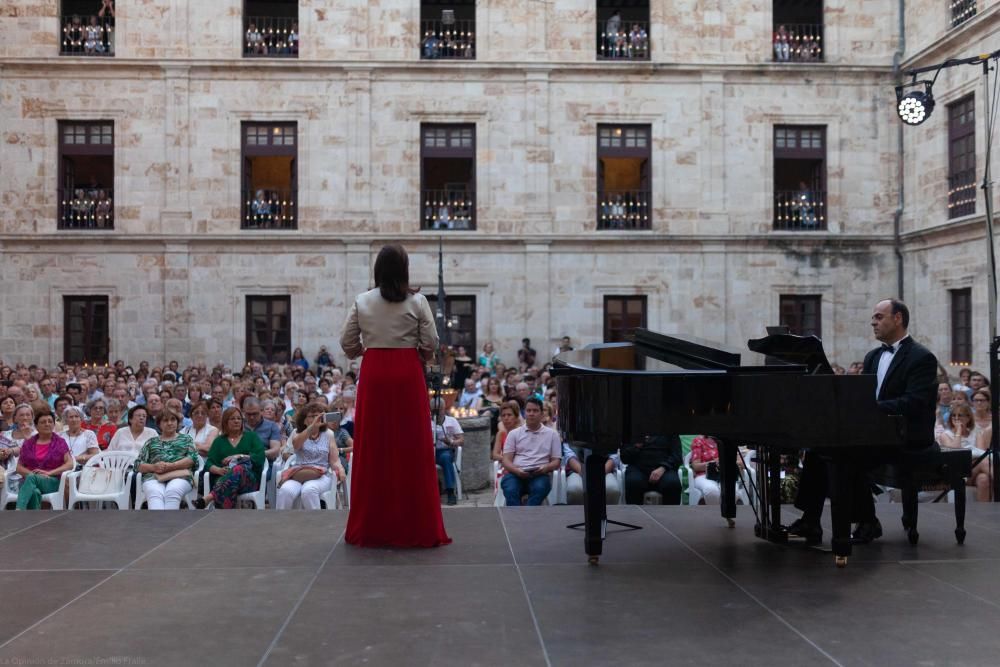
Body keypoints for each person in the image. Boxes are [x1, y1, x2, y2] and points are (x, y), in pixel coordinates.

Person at [791, 299, 938, 545]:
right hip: (876, 431)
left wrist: (872, 409)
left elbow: (916, 402)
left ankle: (867, 521)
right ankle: (811, 520)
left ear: (898, 318)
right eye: (873, 317)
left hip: (907, 436)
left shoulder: (921, 357)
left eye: (879, 317)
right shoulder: (872, 356)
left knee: (845, 454)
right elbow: (866, 395)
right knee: (820, 448)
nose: (873, 322)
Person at [340, 243, 450, 547]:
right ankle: (417, 527)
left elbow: (346, 341)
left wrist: (364, 351)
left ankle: (372, 527)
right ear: (404, 270)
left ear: (378, 270)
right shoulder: (418, 302)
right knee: (411, 448)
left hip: (374, 373)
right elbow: (431, 342)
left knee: (373, 447)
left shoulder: (363, 301)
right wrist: (421, 355)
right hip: (406, 374)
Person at [277, 403, 346, 510]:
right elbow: (296, 445)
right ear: (304, 420)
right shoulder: (297, 433)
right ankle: (281, 523)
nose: (316, 419)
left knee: (309, 490)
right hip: (300, 473)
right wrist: (311, 427)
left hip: (321, 474)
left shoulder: (328, 434)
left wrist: (340, 470)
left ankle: (314, 524)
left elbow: (334, 460)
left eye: (318, 416)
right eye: (312, 416)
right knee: (285, 491)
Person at [195, 407, 266, 509]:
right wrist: (218, 470)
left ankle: (209, 498)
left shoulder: (251, 436)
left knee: (238, 469)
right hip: (223, 478)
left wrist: (240, 456)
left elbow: (260, 457)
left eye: (239, 418)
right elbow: (209, 463)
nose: (236, 421)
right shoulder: (219, 441)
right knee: (229, 481)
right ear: (225, 422)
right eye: (232, 419)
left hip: (249, 481)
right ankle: (227, 517)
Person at [500, 397, 562, 506]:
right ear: (524, 413)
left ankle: (527, 514)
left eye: (535, 411)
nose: (531, 414)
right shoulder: (514, 434)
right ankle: (516, 517)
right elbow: (506, 460)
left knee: (540, 487)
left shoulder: (552, 434)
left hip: (539, 473)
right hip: (516, 473)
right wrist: (517, 470)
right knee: (510, 488)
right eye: (528, 411)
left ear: (542, 414)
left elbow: (556, 461)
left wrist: (545, 468)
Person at [135, 409, 199, 510]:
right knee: (154, 493)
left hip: (180, 475)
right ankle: (161, 524)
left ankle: (168, 524)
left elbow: (193, 459)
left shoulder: (186, 439)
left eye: (173, 420)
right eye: (165, 420)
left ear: (177, 422)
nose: (169, 423)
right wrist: (154, 467)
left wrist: (172, 466)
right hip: (154, 476)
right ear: (159, 424)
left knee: (172, 491)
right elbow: (138, 464)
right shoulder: (151, 442)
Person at [15, 411, 73, 510]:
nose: (47, 424)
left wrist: (49, 473)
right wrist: (34, 475)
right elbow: (19, 468)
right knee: (34, 492)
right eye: (43, 422)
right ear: (36, 426)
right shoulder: (28, 443)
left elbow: (70, 464)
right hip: (29, 480)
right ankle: (35, 521)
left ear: (54, 425)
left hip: (52, 481)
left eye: (50, 421)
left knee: (32, 479)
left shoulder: (60, 442)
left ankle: (18, 511)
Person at [620, 434, 683, 505]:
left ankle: (670, 515)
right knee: (633, 483)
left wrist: (663, 468)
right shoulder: (632, 429)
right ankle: (634, 515)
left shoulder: (669, 429)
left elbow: (677, 456)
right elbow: (624, 458)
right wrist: (636, 446)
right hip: (638, 469)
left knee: (672, 484)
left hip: (664, 469)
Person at [431, 398, 464, 505]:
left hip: (444, 450)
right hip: (430, 451)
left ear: (444, 408)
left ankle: (450, 491)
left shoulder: (451, 421)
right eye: (434, 410)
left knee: (446, 458)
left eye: (440, 409)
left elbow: (461, 440)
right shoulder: (426, 420)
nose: (438, 412)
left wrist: (450, 441)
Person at [688, 434, 722, 504]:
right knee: (712, 490)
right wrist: (714, 463)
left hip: (725, 474)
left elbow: (740, 463)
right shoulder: (699, 440)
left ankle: (727, 513)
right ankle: (714, 514)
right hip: (703, 475)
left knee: (732, 490)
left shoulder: (726, 441)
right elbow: (696, 466)